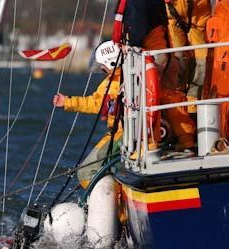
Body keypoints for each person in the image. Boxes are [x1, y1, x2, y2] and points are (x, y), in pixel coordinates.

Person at [116, 0, 196, 151]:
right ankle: (187, 140)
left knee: (148, 101)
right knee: (172, 101)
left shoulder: (137, 3)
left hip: (153, 58)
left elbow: (139, 27)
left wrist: (131, 44)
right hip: (165, 53)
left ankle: (151, 144)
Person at [53, 40, 123, 189]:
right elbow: (96, 103)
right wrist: (67, 102)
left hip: (122, 133)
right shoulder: (110, 82)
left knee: (86, 172)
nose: (101, 68)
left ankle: (111, 204)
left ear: (111, 63)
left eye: (103, 65)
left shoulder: (116, 84)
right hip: (118, 132)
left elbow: (96, 104)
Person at [165, 0, 211, 105]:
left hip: (199, 14)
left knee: (202, 61)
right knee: (177, 60)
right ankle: (177, 103)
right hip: (171, 13)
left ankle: (192, 106)